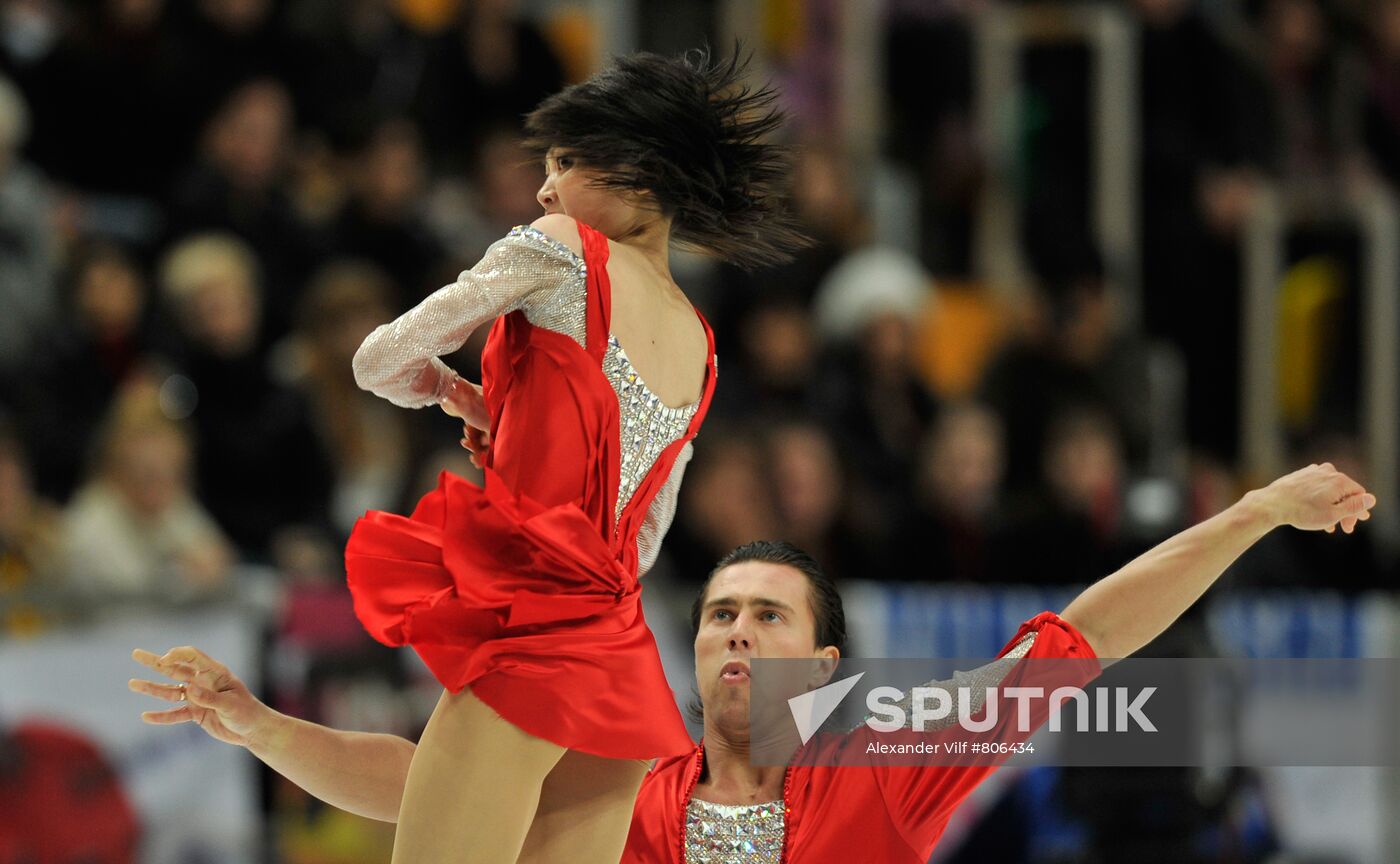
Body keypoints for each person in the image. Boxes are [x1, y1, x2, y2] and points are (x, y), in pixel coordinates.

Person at [132, 463, 1375, 862]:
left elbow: (1088, 631)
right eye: (719, 614)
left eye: (766, 618)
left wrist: (1255, 511)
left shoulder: (888, 760)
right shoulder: (628, 773)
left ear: (824, 661)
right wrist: (255, 726)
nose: (733, 633)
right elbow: (420, 783)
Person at [233, 48, 798, 862]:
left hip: (535, 634)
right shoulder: (702, 343)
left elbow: (379, 360)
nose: (543, 188)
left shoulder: (563, 247)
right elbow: (640, 542)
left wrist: (454, 394)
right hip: (620, 669)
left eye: (564, 163)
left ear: (638, 174)